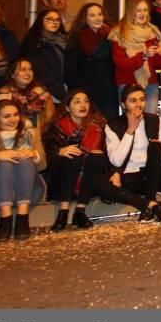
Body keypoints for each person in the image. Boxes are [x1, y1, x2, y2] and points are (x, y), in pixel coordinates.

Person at [0, 99, 46, 241]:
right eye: (6, 116)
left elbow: (43, 165)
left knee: (25, 160)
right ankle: (5, 218)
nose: (13, 119)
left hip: (29, 191)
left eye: (15, 115)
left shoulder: (30, 132)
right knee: (4, 163)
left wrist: (34, 154)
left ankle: (22, 217)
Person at [101, 85, 161, 223]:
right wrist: (130, 131)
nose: (139, 104)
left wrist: (160, 149)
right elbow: (116, 161)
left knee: (156, 147)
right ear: (123, 104)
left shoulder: (155, 121)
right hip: (128, 177)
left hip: (152, 177)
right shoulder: (112, 126)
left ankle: (149, 201)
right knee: (102, 185)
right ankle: (150, 206)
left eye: (142, 99)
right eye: (133, 100)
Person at [44, 90, 107, 231]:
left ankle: (80, 211)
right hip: (62, 181)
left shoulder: (98, 127)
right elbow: (45, 159)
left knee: (96, 157)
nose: (83, 105)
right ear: (67, 107)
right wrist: (59, 152)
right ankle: (63, 213)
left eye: (86, 101)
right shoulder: (57, 128)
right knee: (73, 155)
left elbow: (106, 159)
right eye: (77, 102)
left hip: (88, 180)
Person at [109, 0, 161, 114]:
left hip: (150, 84)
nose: (142, 14)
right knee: (132, 121)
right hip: (128, 83)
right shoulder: (120, 33)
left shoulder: (152, 32)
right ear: (131, 11)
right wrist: (144, 55)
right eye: (138, 10)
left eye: (145, 10)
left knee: (150, 122)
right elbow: (122, 63)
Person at [64, 3, 118, 120]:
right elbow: (70, 70)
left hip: (108, 93)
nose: (97, 18)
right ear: (85, 18)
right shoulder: (76, 39)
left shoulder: (111, 37)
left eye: (100, 14)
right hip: (85, 94)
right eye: (92, 15)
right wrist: (82, 91)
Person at [19, 8, 67, 103]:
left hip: (66, 87)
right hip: (47, 91)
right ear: (41, 21)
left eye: (57, 20)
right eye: (49, 19)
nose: (54, 22)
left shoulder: (65, 41)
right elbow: (42, 72)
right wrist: (62, 94)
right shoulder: (34, 42)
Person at [0, 59, 56, 130]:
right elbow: (1, 119)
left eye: (30, 69)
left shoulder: (42, 92)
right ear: (12, 74)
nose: (28, 73)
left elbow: (50, 117)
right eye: (23, 69)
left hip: (40, 133)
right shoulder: (4, 93)